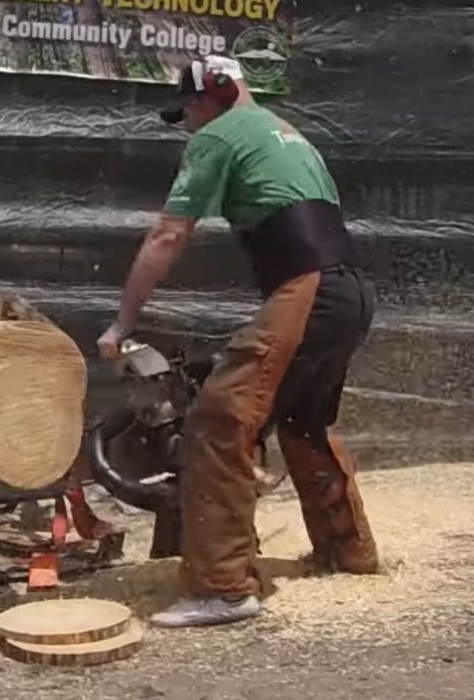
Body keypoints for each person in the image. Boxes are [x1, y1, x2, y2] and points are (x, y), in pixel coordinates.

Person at [97, 55, 379, 628]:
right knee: (303, 423)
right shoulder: (289, 133)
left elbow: (168, 234)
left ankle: (222, 589)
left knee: (218, 421)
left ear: (219, 92)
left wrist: (123, 322)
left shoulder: (222, 134)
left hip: (310, 285)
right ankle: (348, 551)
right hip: (350, 286)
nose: (191, 123)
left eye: (192, 109)